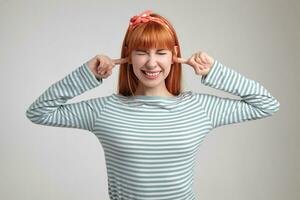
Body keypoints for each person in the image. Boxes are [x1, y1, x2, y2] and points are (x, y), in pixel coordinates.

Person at [26, 10, 280, 200]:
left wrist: (215, 72)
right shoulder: (105, 110)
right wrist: (87, 73)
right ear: (128, 56)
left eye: (161, 52)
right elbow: (39, 112)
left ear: (174, 55)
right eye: (141, 52)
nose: (151, 63)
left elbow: (266, 104)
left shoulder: (199, 108)